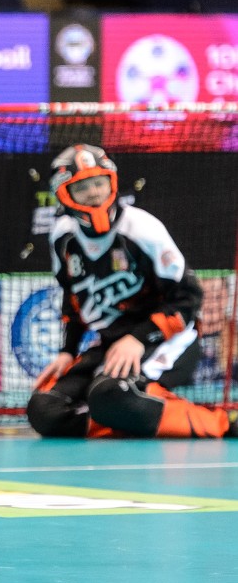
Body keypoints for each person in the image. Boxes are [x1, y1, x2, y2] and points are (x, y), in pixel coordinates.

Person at [27, 143, 236, 439]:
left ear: (111, 182)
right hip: (113, 342)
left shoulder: (141, 228)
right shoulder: (63, 236)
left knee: (110, 394)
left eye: (99, 183)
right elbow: (71, 298)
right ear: (65, 194)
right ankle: (128, 416)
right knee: (44, 409)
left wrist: (139, 339)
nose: (95, 193)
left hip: (168, 337)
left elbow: (189, 298)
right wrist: (67, 351)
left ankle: (223, 424)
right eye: (83, 187)